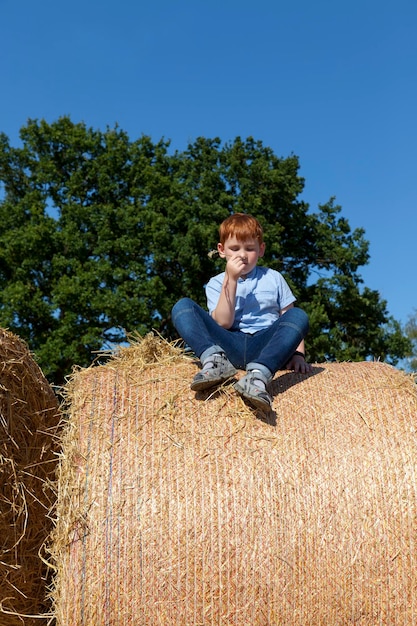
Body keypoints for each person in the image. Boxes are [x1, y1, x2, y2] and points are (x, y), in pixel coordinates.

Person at [171, 213, 312, 411]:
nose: (242, 255)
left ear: (261, 249)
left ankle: (259, 375)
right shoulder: (216, 283)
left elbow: (288, 316)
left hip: (266, 346)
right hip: (229, 344)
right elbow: (223, 323)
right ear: (222, 250)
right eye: (235, 249)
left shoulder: (274, 278)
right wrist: (231, 280)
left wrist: (298, 356)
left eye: (250, 248)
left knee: (299, 316)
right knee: (182, 307)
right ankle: (214, 360)